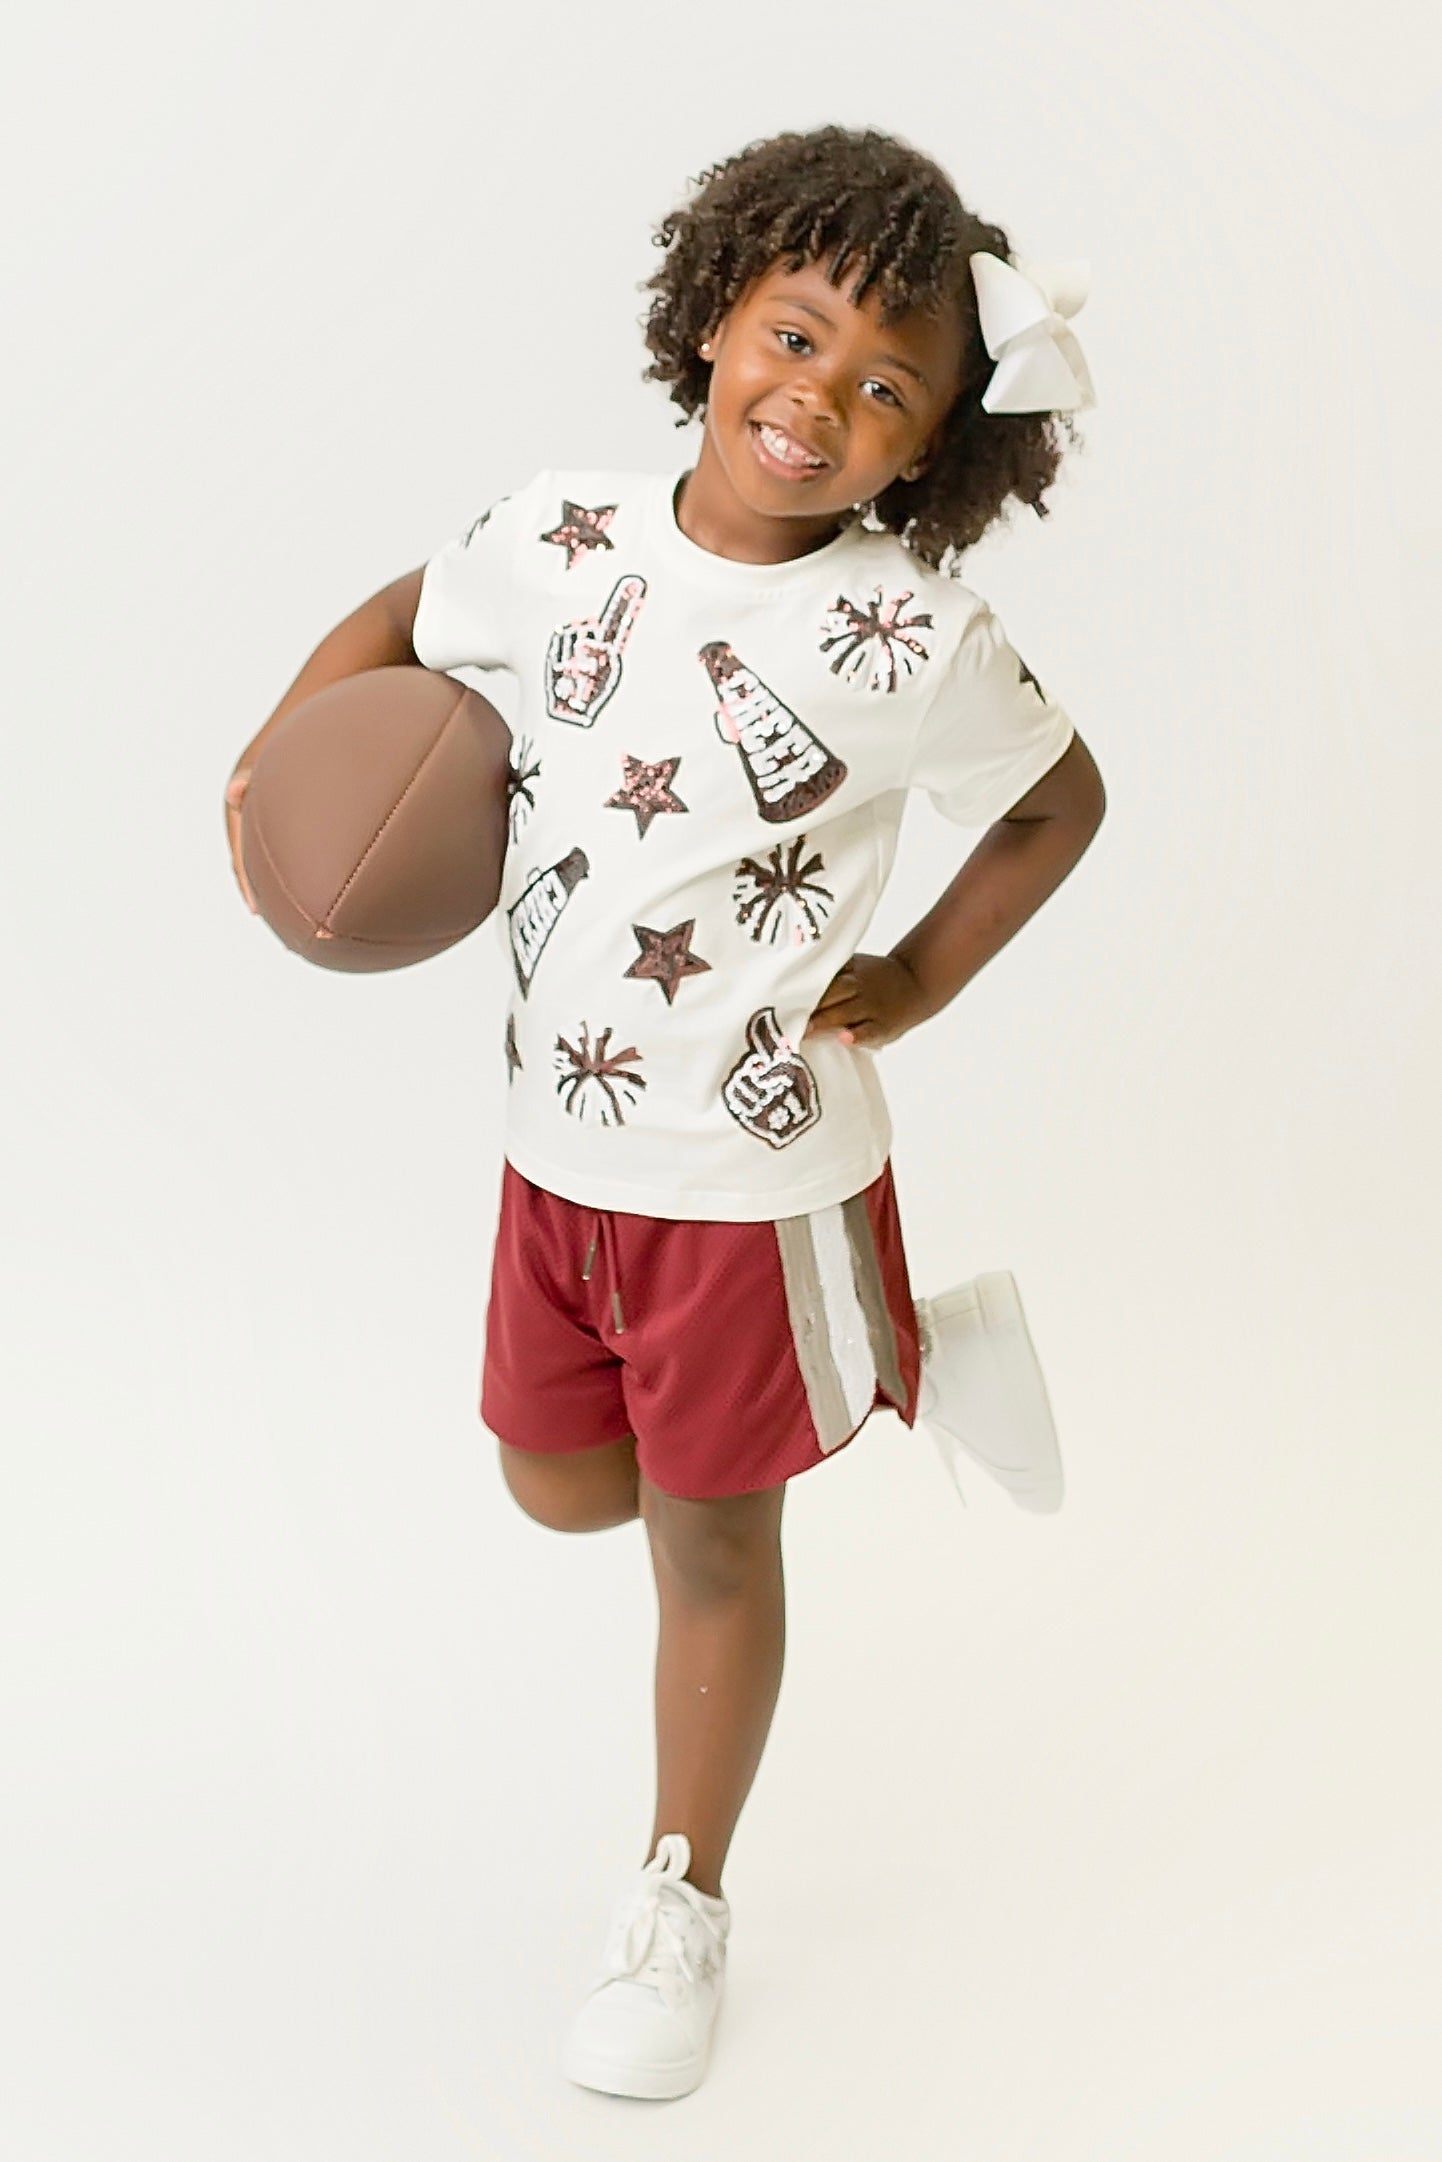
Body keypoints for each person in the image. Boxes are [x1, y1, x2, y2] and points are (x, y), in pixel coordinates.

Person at [224, 123, 1107, 2103]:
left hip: (752, 1175)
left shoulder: (910, 635)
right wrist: (283, 753)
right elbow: (410, 605)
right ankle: (901, 1350)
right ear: (715, 314)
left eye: (888, 389)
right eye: (796, 336)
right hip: (556, 1155)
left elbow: (1057, 801)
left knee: (710, 1545)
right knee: (554, 1483)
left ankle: (678, 1894)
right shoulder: (555, 535)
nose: (821, 400)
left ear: (930, 447)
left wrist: (924, 976)